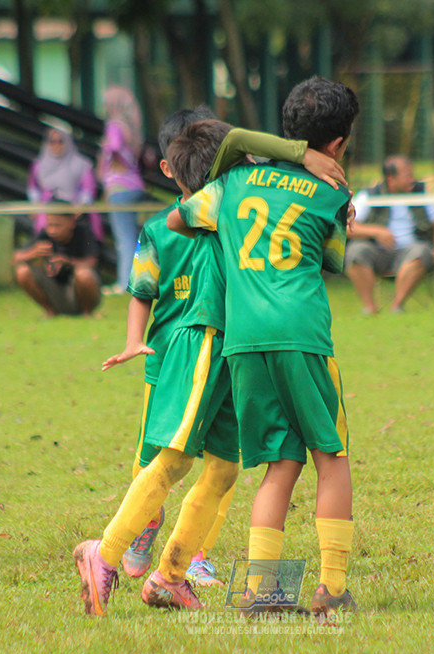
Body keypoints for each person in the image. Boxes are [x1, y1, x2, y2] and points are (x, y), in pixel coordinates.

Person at [74, 111, 347, 616]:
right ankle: (104, 553)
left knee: (224, 469)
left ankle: (170, 575)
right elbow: (149, 280)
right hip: (203, 342)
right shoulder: (211, 207)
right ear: (237, 161)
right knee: (176, 460)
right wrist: (304, 157)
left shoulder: (239, 199)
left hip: (236, 351)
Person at [168, 76, 359, 620]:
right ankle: (331, 588)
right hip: (301, 335)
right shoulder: (332, 193)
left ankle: (262, 592)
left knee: (278, 463)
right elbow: (331, 260)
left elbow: (179, 220)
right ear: (339, 145)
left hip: (244, 340)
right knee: (332, 456)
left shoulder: (232, 184)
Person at [345, 155, 434, 313]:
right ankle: (370, 307)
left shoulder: (421, 194)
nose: (412, 179)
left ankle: (397, 306)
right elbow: (347, 227)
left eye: (412, 174)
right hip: (378, 252)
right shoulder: (370, 196)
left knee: (421, 252)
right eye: (407, 176)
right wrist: (376, 231)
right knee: (355, 252)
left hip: (411, 252)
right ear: (391, 179)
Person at [98, 86, 147, 295]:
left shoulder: (114, 126)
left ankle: (125, 283)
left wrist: (109, 160)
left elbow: (115, 148)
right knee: (134, 237)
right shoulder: (131, 127)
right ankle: (137, 279)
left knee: (124, 238)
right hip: (135, 185)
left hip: (119, 187)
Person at [12, 206, 101, 317]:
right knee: (22, 271)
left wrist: (68, 262)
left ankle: (87, 313)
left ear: (72, 222)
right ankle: (50, 311)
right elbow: (14, 258)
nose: (52, 230)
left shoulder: (83, 231)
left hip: (79, 291)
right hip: (55, 290)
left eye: (58, 225)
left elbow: (92, 262)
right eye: (50, 225)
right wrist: (32, 253)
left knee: (84, 274)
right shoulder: (44, 234)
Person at [27, 128, 102, 242]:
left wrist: (81, 207)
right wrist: (34, 206)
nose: (56, 145)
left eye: (60, 141)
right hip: (46, 214)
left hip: (73, 212)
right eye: (52, 141)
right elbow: (33, 188)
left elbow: (88, 190)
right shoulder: (39, 165)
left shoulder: (82, 164)